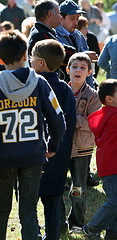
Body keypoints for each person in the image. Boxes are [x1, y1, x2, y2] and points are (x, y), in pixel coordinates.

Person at [0, 29, 65, 240]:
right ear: (26, 55)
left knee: (0, 211)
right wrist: (53, 145)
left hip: (2, 159)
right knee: (28, 212)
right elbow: (58, 119)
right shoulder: (41, 83)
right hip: (33, 156)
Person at [31, 39, 76, 240]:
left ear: (40, 63)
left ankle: (33, 233)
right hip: (58, 153)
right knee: (53, 201)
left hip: (32, 154)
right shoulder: (66, 90)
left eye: (32, 58)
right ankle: (52, 236)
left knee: (29, 202)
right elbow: (70, 123)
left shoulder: (30, 87)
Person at [65, 52, 102, 232]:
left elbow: (94, 122)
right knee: (56, 184)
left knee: (78, 186)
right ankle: (58, 221)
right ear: (67, 69)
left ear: (89, 72)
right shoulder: (61, 91)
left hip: (82, 148)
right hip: (62, 145)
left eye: (82, 68)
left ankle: (76, 222)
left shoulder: (93, 96)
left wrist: (73, 119)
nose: (78, 70)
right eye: (75, 67)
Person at [82, 78, 117, 240]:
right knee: (115, 202)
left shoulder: (106, 115)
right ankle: (92, 228)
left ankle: (112, 234)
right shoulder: (114, 116)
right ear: (110, 99)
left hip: (108, 166)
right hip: (113, 166)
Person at [55, 0, 98, 89]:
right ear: (61, 18)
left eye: (77, 18)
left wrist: (90, 90)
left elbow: (88, 68)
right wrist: (83, 56)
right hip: (64, 87)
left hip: (82, 91)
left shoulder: (79, 35)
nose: (76, 22)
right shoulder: (54, 36)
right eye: (72, 18)